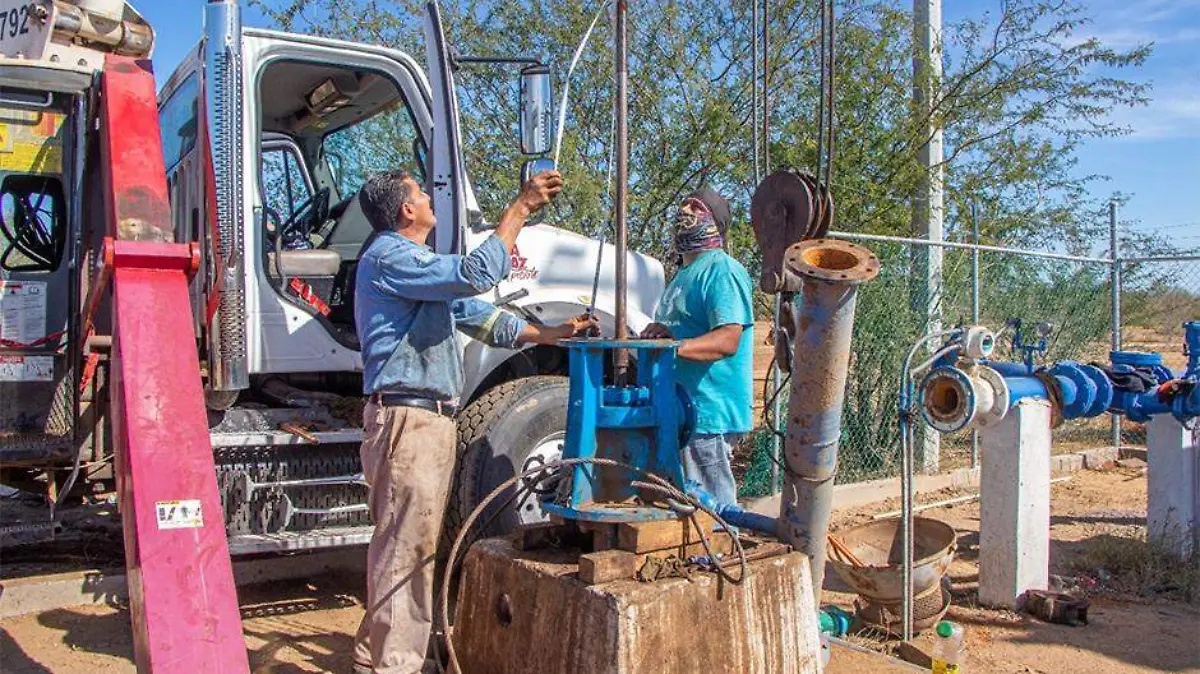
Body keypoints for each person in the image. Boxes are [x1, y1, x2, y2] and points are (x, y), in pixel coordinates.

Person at [352, 169, 596, 674]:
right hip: (409, 421)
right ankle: (394, 666)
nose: (426, 197)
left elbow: (483, 317)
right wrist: (520, 209)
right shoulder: (391, 256)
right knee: (406, 551)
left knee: (404, 545)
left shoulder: (416, 271)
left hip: (423, 421)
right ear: (405, 211)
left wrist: (549, 334)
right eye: (420, 192)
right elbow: (477, 275)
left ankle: (373, 656)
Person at [640, 187, 754, 506]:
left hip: (708, 413)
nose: (685, 209)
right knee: (685, 503)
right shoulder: (683, 275)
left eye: (697, 206)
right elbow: (684, 329)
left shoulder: (722, 270)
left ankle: (721, 553)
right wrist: (663, 331)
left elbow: (728, 339)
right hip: (681, 410)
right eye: (685, 203)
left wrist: (672, 347)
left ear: (715, 222)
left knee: (711, 508)